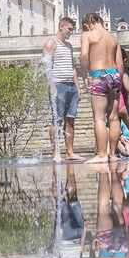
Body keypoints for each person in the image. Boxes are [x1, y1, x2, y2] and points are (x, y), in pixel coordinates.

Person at [79, 12, 123, 163]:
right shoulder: (113, 37)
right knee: (114, 117)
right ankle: (113, 155)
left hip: (100, 75)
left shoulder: (87, 35)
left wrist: (85, 76)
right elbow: (120, 64)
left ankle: (102, 154)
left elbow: (84, 55)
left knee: (99, 117)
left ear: (87, 25)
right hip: (115, 75)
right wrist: (118, 81)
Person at [42, 17, 84, 161]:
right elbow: (46, 66)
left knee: (70, 119)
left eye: (72, 30)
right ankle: (55, 153)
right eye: (69, 29)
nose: (71, 32)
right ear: (61, 27)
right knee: (57, 119)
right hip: (59, 85)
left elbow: (72, 67)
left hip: (71, 85)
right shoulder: (51, 43)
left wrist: (77, 86)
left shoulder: (69, 46)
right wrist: (52, 86)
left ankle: (70, 152)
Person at [51, 164, 88, 258]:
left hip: (65, 237)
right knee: (73, 198)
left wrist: (57, 236)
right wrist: (84, 232)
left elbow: (54, 257)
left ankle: (55, 167)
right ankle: (69, 165)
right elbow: (80, 253)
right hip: (78, 234)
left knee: (59, 202)